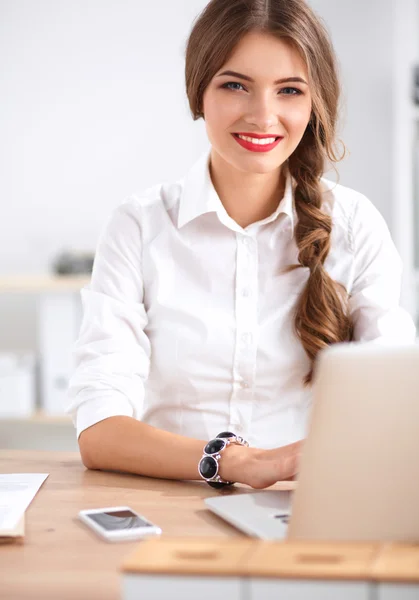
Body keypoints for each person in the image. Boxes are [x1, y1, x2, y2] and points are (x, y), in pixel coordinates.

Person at [66, 0, 416, 490]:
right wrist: (234, 462)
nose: (263, 115)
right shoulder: (139, 226)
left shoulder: (354, 225)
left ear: (313, 103)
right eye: (235, 85)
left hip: (306, 506)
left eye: (289, 90)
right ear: (199, 92)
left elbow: (397, 396)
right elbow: (99, 432)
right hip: (168, 504)